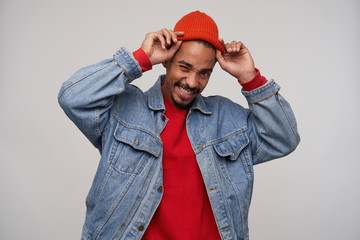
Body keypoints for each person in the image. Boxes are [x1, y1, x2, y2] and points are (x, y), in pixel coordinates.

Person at [58, 10, 300, 240]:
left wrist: (250, 78)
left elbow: (283, 139)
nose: (192, 82)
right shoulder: (124, 109)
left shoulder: (228, 119)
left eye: (204, 73)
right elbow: (73, 98)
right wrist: (139, 59)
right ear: (166, 60)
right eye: (184, 67)